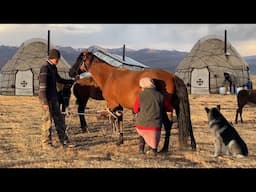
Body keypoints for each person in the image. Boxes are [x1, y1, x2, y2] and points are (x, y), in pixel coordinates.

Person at [39, 48, 75, 149]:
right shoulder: (45, 68)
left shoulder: (53, 68)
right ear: (53, 58)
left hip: (54, 98)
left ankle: (64, 140)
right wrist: (45, 102)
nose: (58, 61)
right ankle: (46, 143)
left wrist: (71, 81)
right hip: (46, 99)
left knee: (59, 120)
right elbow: (42, 86)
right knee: (47, 121)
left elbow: (59, 79)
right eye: (57, 59)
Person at [133, 77, 173, 156]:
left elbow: (135, 110)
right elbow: (169, 108)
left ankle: (141, 149)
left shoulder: (140, 95)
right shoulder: (160, 96)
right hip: (155, 126)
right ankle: (152, 150)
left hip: (141, 124)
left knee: (142, 134)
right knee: (153, 140)